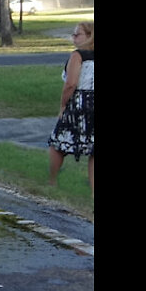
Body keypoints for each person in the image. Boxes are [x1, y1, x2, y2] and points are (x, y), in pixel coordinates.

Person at [47, 21, 94, 196]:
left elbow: (71, 84)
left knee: (58, 141)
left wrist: (63, 105)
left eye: (77, 35)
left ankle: (51, 181)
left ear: (89, 36)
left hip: (81, 103)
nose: (73, 38)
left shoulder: (78, 55)